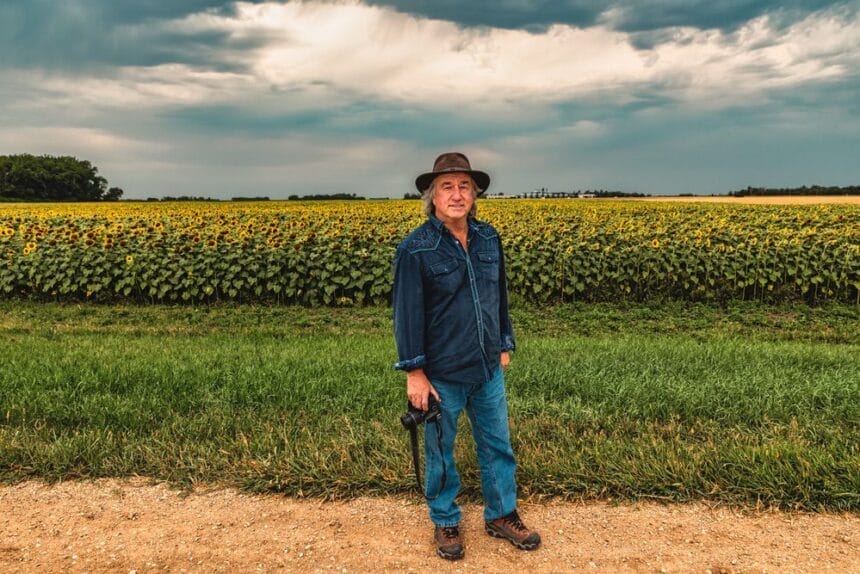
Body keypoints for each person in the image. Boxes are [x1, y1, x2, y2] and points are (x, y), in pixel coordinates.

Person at [392, 152, 541, 560]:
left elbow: (499, 297)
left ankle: (501, 514)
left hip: (487, 367)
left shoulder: (490, 238)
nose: (457, 194)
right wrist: (414, 372)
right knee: (441, 450)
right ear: (432, 196)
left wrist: (504, 342)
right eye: (447, 186)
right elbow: (407, 316)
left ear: (474, 195)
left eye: (464, 186)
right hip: (441, 372)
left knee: (497, 444)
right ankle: (445, 521)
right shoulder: (416, 249)